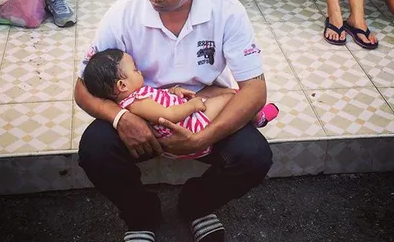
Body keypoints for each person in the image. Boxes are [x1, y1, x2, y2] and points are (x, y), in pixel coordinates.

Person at [76, 0, 273, 242]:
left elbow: (255, 89)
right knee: (95, 149)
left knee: (254, 157)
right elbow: (81, 88)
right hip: (145, 116)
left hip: (203, 111)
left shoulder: (227, 11)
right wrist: (122, 117)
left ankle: (197, 205)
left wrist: (203, 137)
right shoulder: (123, 13)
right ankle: (141, 218)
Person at [83, 48, 279, 159]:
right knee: (229, 99)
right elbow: (167, 115)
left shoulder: (138, 95)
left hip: (188, 116)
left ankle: (250, 109)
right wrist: (192, 106)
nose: (140, 71)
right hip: (190, 125)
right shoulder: (135, 103)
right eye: (135, 70)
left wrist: (173, 91)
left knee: (225, 92)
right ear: (122, 84)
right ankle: (256, 116)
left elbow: (158, 100)